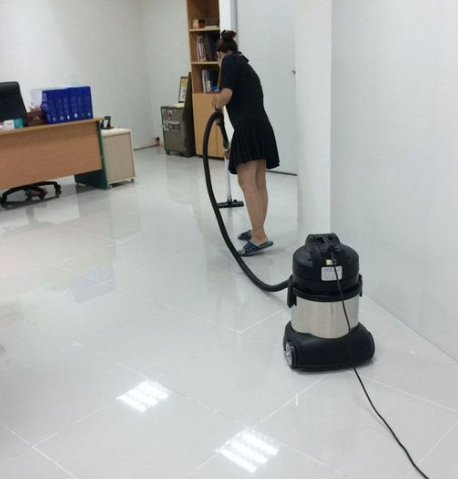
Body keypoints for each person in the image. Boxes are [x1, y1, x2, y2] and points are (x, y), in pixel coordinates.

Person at [214, 30, 280, 257]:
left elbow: (225, 95)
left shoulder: (229, 62)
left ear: (219, 55)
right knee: (259, 182)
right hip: (261, 127)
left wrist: (216, 103)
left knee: (246, 183)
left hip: (248, 129)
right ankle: (257, 229)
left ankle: (259, 236)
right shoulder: (244, 64)